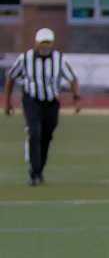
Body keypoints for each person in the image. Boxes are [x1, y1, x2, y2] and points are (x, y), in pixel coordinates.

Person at [4, 28, 80, 186]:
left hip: (51, 102)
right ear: (36, 43)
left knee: (46, 136)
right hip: (31, 100)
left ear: (52, 43)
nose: (45, 46)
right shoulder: (25, 58)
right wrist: (7, 102)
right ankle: (34, 173)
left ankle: (39, 170)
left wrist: (76, 98)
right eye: (42, 43)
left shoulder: (59, 59)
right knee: (34, 133)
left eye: (48, 43)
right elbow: (11, 78)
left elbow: (72, 78)